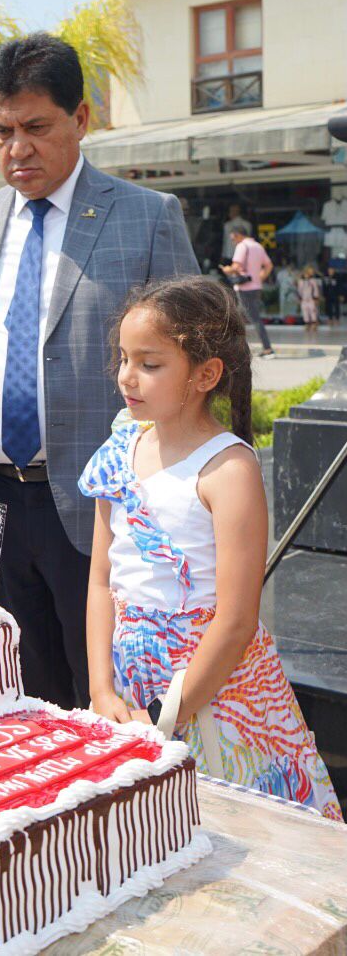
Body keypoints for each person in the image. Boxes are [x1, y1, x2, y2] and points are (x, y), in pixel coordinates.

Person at [0, 34, 198, 710]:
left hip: (102, 507)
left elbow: (194, 362)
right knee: (20, 687)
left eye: (36, 128)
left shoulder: (145, 218)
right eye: (1, 131)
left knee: (112, 697)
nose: (17, 149)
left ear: (80, 118)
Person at [79, 277, 341, 820]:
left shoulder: (228, 470)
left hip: (214, 688)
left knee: (229, 824)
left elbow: (236, 617)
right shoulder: (119, 447)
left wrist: (170, 715)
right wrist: (102, 690)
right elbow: (102, 579)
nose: (128, 376)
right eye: (123, 358)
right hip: (130, 678)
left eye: (150, 364)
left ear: (206, 374)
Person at [221, 229, 274, 357]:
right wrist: (259, 277)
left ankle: (268, 348)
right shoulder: (258, 246)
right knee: (238, 318)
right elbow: (269, 265)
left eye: (233, 238)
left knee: (253, 318)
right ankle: (235, 349)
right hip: (255, 287)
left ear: (239, 235)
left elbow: (236, 267)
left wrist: (227, 269)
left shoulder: (242, 246)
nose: (233, 241)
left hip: (244, 288)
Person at [297, 265, 322, 331]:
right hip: (304, 299)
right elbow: (299, 290)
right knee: (305, 311)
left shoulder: (312, 281)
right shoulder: (301, 281)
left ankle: (314, 324)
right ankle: (307, 323)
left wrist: (316, 298)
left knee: (312, 311)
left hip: (311, 299)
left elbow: (315, 290)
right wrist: (299, 298)